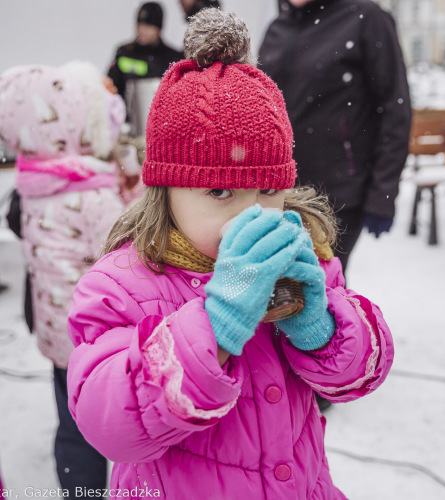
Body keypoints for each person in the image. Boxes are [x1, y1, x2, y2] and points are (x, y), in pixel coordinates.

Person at [66, 9, 394, 499]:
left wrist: (320, 329)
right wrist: (217, 322)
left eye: (266, 189)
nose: (251, 217)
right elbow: (109, 424)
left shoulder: (303, 256)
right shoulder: (125, 283)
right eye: (219, 191)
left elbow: (359, 375)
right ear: (166, 191)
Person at [0, 61, 128, 499]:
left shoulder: (35, 186)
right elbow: (126, 251)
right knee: (102, 423)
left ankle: (79, 490)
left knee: (69, 421)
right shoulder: (95, 195)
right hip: (95, 339)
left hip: (57, 335)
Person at [259, 0, 412, 273]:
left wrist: (382, 195)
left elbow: (394, 110)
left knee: (320, 286)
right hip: (277, 192)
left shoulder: (366, 18)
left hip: (337, 196)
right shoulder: (278, 28)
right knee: (277, 291)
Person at [107, 2, 183, 99]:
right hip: (127, 112)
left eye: (148, 26)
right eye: (139, 25)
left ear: (159, 29)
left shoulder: (173, 58)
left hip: (160, 112)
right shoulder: (125, 53)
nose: (142, 30)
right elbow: (110, 87)